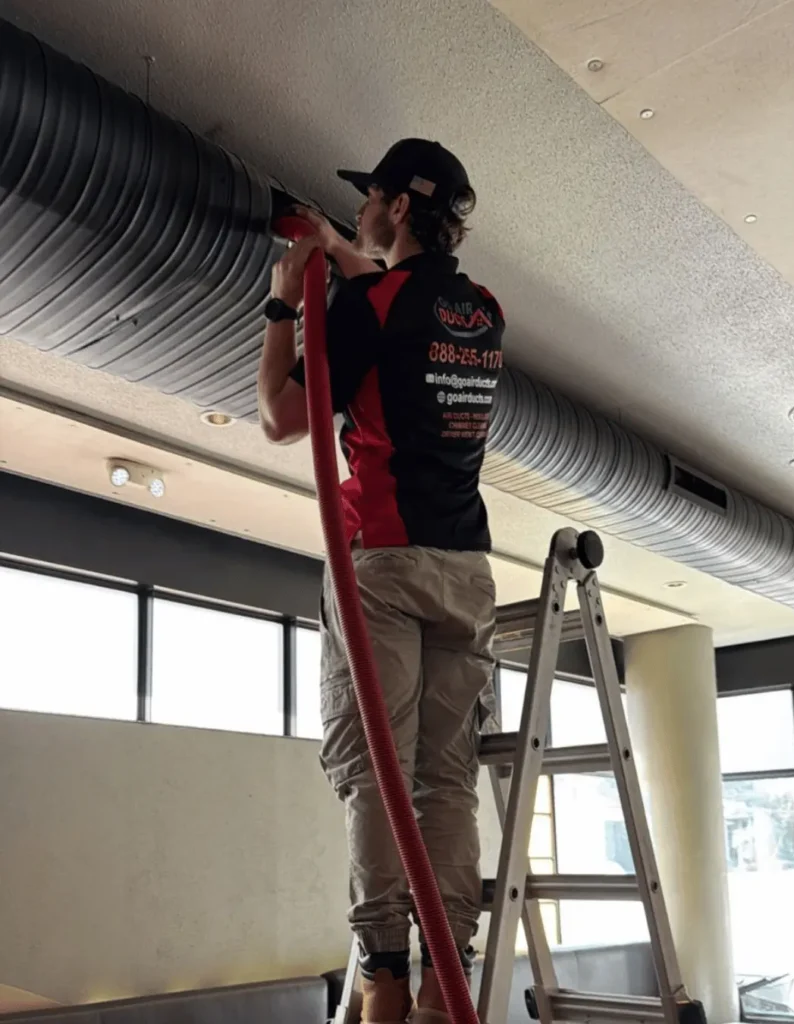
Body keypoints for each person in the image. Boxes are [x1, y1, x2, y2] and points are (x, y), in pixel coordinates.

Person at [257, 138, 505, 1024]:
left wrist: (284, 302)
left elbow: (282, 419)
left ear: (398, 206)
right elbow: (396, 294)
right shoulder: (481, 311)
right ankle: (448, 973)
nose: (361, 210)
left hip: (386, 566)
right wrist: (339, 249)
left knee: (375, 772)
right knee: (443, 778)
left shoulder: (370, 301)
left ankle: (384, 974)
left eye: (370, 200)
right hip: (466, 571)